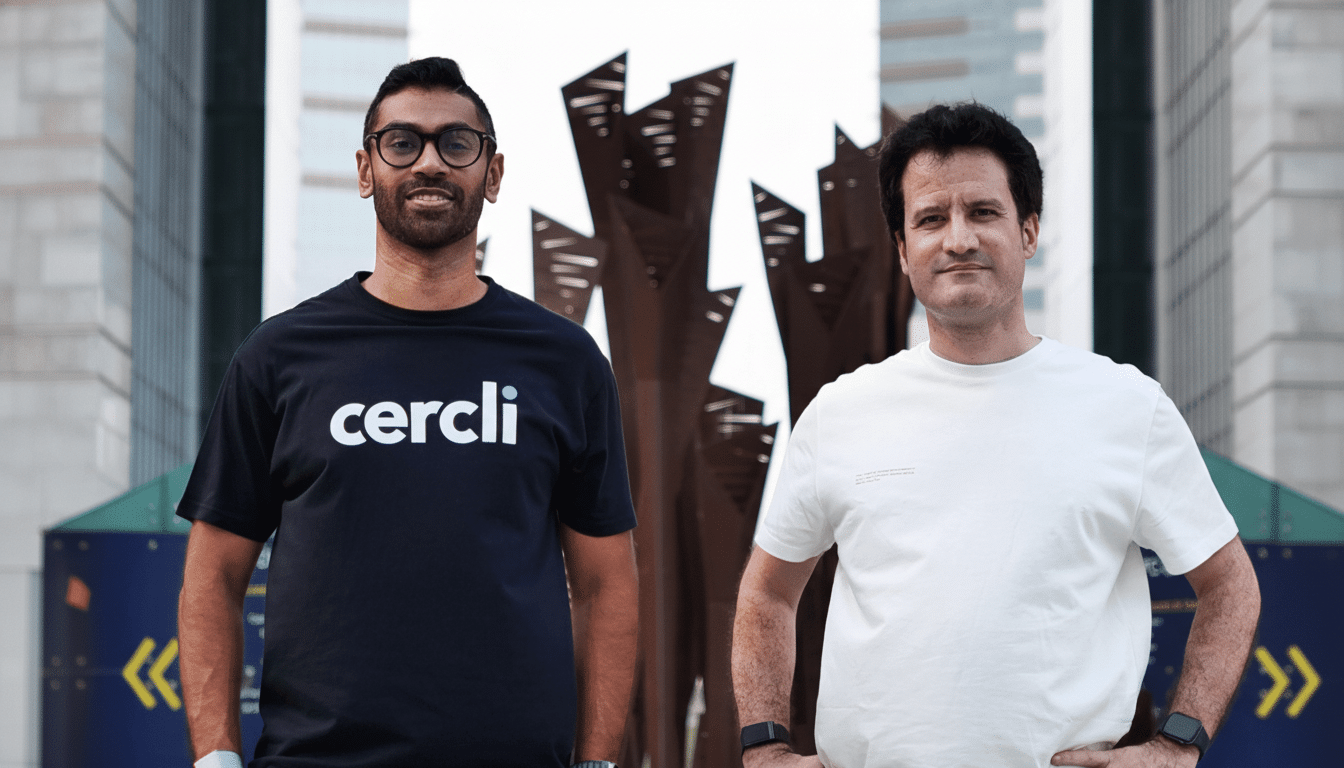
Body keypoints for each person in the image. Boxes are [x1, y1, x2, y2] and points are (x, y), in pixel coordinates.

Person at [731, 103, 1261, 768]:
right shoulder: (842, 412)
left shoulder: (1126, 407)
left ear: (1028, 230)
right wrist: (764, 746)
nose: (958, 239)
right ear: (903, 249)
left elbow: (1230, 586)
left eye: (983, 212)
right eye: (931, 219)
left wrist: (1178, 745)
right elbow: (768, 592)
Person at [177, 57, 639, 768]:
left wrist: (599, 761)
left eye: (457, 143)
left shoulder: (566, 362)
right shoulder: (278, 357)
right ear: (366, 171)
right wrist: (215, 758)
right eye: (402, 143)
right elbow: (212, 576)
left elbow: (606, 585)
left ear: (492, 173)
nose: (429, 162)